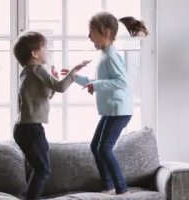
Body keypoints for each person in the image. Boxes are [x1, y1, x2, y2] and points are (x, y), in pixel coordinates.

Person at [62, 12, 148, 195]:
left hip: (120, 110)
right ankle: (108, 186)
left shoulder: (111, 56)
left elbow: (121, 82)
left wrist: (97, 84)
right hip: (112, 110)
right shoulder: (105, 55)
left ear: (106, 32)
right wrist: (74, 76)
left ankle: (121, 189)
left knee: (104, 148)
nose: (89, 36)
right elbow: (97, 81)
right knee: (96, 147)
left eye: (92, 31)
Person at [12, 30, 90, 200]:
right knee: (43, 169)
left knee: (40, 168)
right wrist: (73, 72)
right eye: (45, 47)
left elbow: (45, 96)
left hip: (23, 128)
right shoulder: (38, 69)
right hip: (31, 128)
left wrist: (52, 83)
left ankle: (30, 196)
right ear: (34, 53)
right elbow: (60, 87)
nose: (48, 51)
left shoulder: (26, 71)